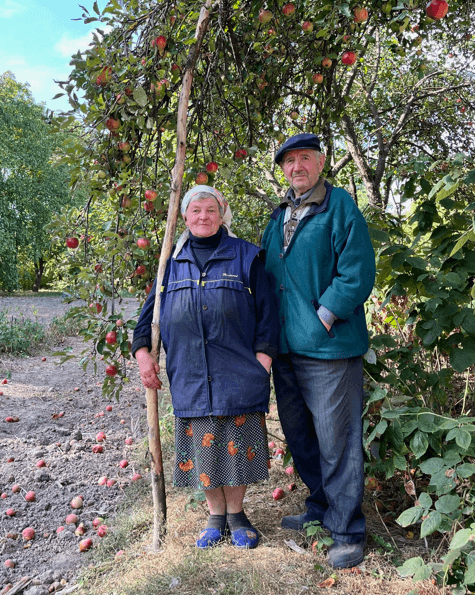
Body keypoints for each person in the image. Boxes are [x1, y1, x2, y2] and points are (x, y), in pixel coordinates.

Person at [131, 185, 278, 549]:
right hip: (191, 372)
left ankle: (237, 514)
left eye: (210, 210)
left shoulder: (246, 256)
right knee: (205, 447)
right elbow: (146, 318)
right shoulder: (170, 263)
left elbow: (270, 315)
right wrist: (142, 354)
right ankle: (215, 516)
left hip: (238, 371)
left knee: (237, 443)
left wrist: (262, 361)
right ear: (185, 217)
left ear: (221, 213)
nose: (203, 217)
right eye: (195, 210)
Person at [261, 133, 376, 569]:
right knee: (301, 437)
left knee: (337, 442)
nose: (297, 167)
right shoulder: (280, 216)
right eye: (290, 162)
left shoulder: (339, 207)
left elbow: (357, 270)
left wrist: (326, 314)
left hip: (329, 349)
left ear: (321, 162)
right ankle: (322, 507)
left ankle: (347, 530)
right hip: (288, 350)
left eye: (305, 158)